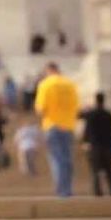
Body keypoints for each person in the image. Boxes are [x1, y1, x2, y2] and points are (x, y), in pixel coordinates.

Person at [35, 62, 78, 197]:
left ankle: (62, 191)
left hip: (52, 125)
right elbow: (77, 106)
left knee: (56, 159)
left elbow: (40, 108)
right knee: (67, 159)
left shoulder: (46, 84)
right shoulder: (70, 84)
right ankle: (68, 189)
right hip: (69, 126)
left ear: (48, 71)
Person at [79, 92, 111, 197]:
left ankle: (98, 192)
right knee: (110, 170)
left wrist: (86, 108)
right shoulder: (109, 115)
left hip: (95, 146)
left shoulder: (91, 114)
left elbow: (78, 116)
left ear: (95, 100)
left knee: (95, 171)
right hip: (107, 145)